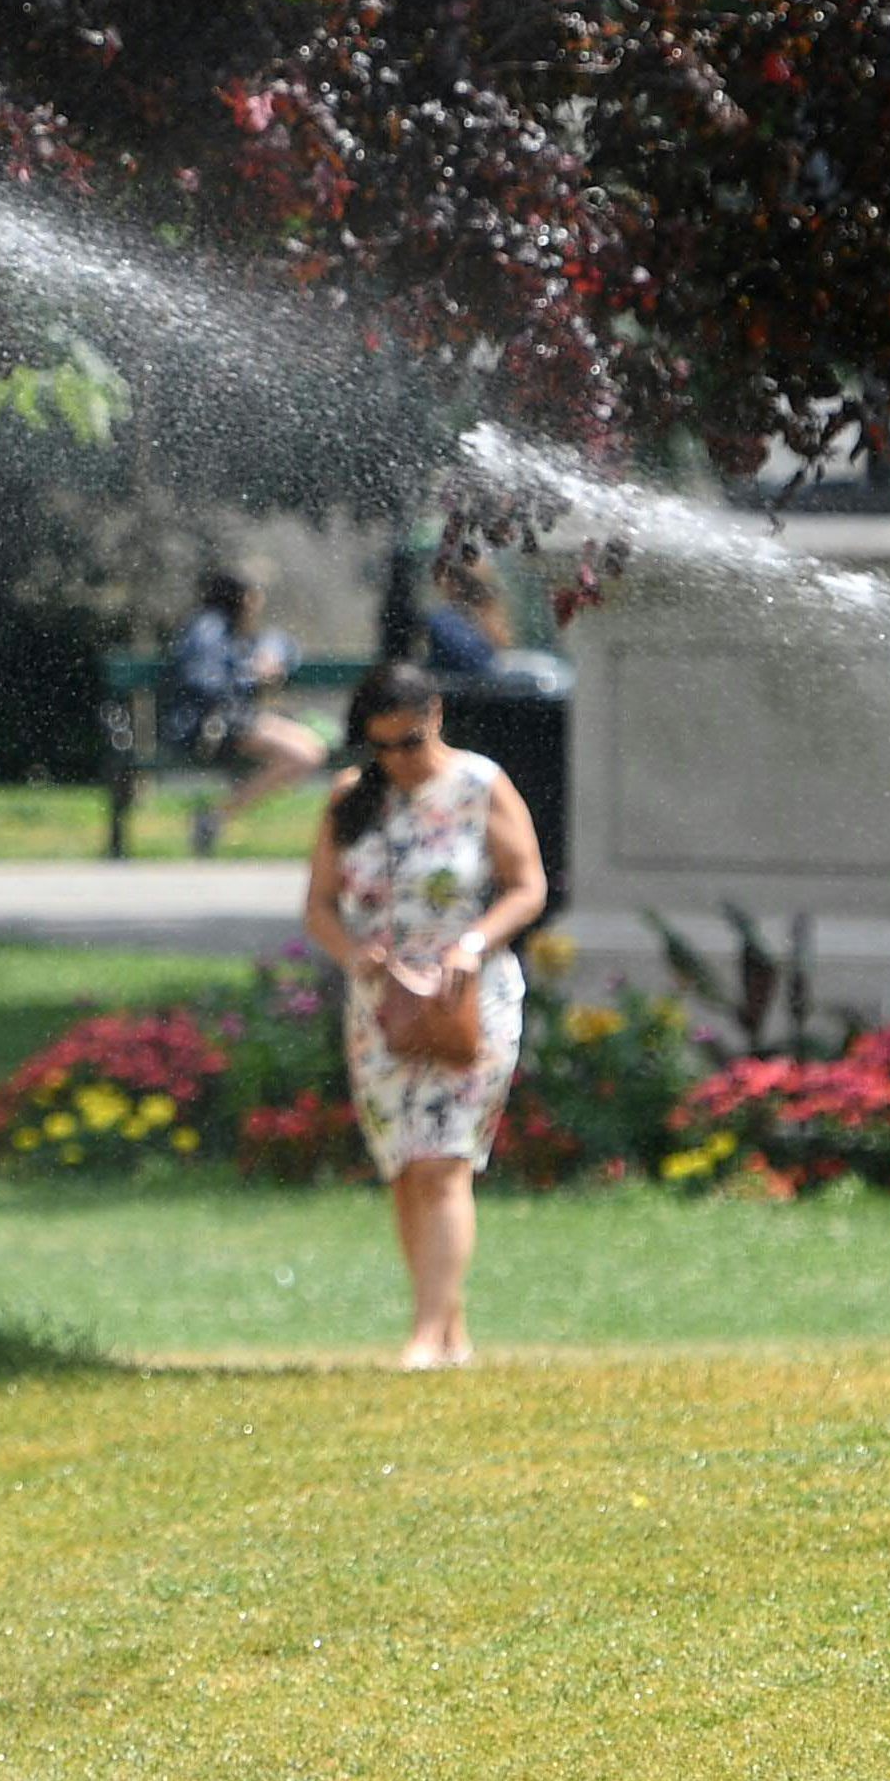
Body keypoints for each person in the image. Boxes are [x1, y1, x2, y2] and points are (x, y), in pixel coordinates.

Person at [303, 661, 550, 1372]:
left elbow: (526, 885)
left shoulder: (478, 785)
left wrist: (471, 944)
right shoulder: (351, 799)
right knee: (406, 1166)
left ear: (435, 716)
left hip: (468, 997)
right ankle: (448, 1329)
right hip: (381, 1007)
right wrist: (354, 955)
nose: (398, 761)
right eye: (381, 746)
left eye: (408, 742)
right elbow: (317, 906)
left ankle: (423, 1333)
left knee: (444, 1159)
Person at [169, 565, 330, 856]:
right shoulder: (207, 629)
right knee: (305, 754)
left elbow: (284, 644)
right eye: (253, 594)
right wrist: (251, 675)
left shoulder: (232, 626)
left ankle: (216, 817)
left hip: (233, 720)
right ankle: (217, 816)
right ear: (238, 597)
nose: (258, 601)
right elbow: (203, 682)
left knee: (311, 750)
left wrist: (273, 656)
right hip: (209, 726)